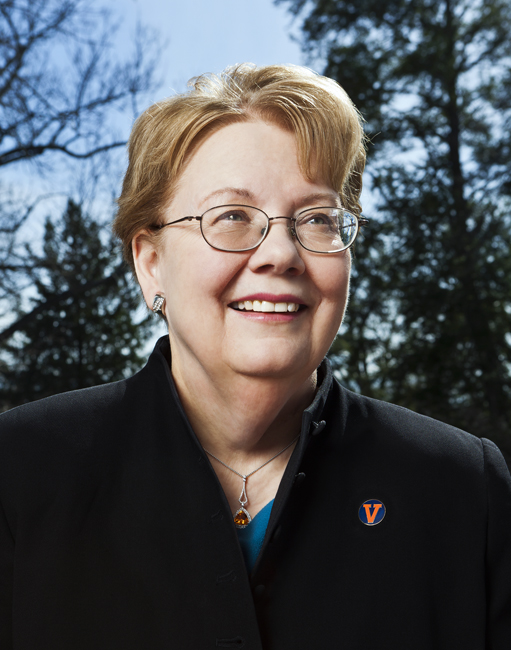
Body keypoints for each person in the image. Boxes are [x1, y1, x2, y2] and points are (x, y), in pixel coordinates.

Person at [0, 63, 510, 650]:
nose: (281, 254)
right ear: (151, 263)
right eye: (233, 217)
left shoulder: (464, 488)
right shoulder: (18, 472)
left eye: (317, 219)